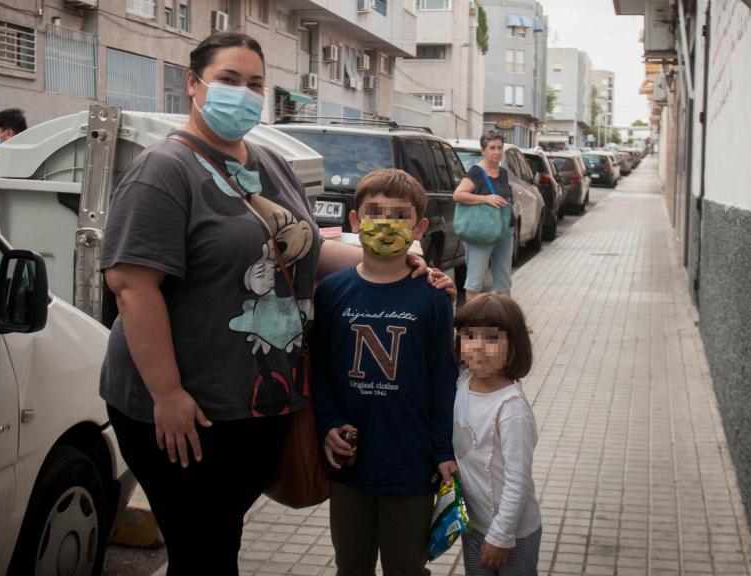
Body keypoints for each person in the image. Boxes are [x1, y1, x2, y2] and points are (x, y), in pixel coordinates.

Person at [98, 33, 454, 576]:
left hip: (260, 405)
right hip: (187, 412)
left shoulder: (267, 161)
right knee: (203, 550)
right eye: (228, 80)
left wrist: (399, 266)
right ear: (193, 85)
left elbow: (305, 250)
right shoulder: (164, 170)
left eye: (255, 84)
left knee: (220, 540)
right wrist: (166, 394)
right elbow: (131, 285)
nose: (244, 94)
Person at [312, 168, 459, 576]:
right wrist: (327, 424)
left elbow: (443, 378)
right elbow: (320, 369)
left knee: (406, 567)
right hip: (348, 464)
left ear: (419, 227)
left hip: (410, 465)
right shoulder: (331, 292)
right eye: (375, 212)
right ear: (354, 221)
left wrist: (443, 450)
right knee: (351, 565)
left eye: (399, 215)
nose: (386, 222)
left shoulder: (433, 297)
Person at [452, 293, 541, 576]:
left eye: (491, 338)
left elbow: (518, 479)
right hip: (475, 523)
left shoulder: (511, 408)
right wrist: (445, 293)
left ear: (513, 347)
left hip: (514, 532)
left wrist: (502, 536)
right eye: (469, 336)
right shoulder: (463, 382)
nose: (477, 347)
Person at [452, 131, 514, 301]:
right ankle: (472, 322)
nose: (497, 152)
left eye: (500, 148)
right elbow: (458, 195)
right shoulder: (476, 173)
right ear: (483, 151)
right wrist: (486, 198)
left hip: (504, 229)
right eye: (492, 148)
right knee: (475, 280)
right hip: (482, 231)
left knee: (504, 280)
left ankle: (506, 320)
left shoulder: (502, 172)